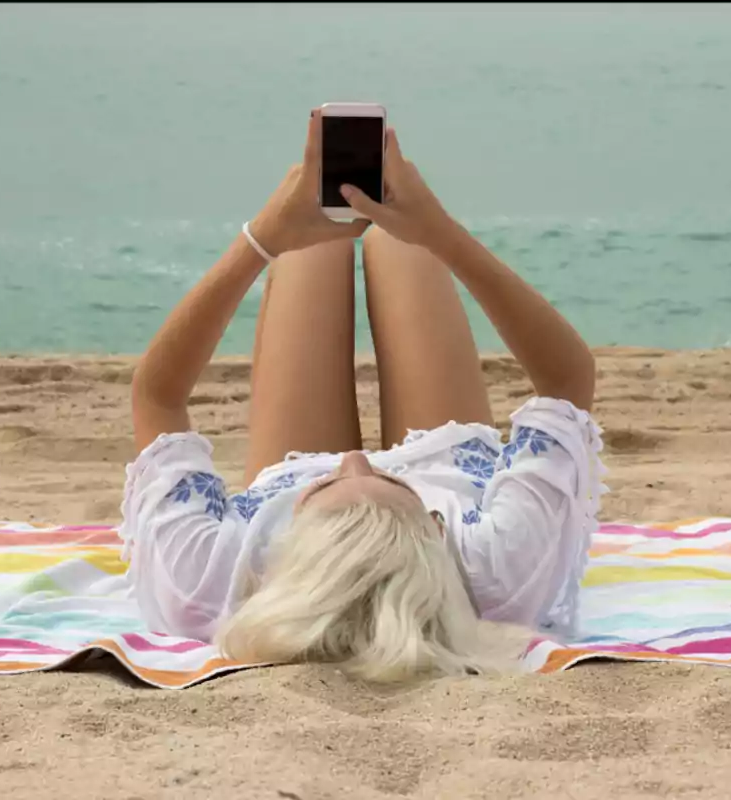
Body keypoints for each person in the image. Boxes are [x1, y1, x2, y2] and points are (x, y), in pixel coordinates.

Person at [119, 109, 605, 683]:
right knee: (405, 249)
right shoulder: (498, 573)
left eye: (330, 484)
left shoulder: (207, 584)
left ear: (286, 548)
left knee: (309, 250)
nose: (358, 459)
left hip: (287, 481)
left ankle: (315, 239)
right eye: (385, 481)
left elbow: (157, 397)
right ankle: (400, 237)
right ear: (436, 527)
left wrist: (263, 238)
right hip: (449, 468)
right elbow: (567, 382)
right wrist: (439, 233)